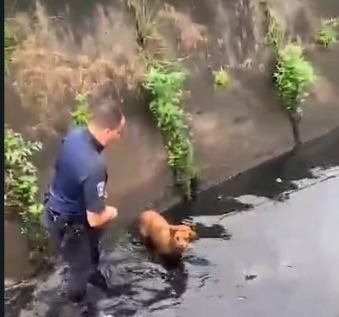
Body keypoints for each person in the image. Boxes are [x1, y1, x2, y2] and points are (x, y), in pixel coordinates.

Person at [42, 96, 125, 304]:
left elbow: (62, 167)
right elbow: (96, 219)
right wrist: (112, 212)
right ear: (107, 132)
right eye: (118, 132)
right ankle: (77, 305)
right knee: (80, 270)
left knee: (91, 252)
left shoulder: (74, 135)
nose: (119, 136)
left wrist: (91, 194)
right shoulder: (94, 166)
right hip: (69, 223)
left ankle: (93, 275)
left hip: (55, 208)